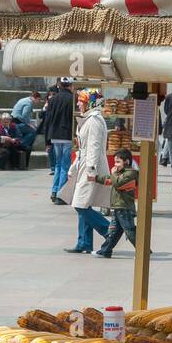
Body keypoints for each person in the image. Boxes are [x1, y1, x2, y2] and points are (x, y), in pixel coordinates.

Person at [67, 91, 110, 253]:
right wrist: (73, 168)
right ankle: (84, 242)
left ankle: (109, 231)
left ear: (90, 103)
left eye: (81, 101)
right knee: (84, 203)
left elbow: (94, 146)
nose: (78, 103)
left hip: (90, 167)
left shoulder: (94, 121)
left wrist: (91, 169)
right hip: (85, 165)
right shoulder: (90, 119)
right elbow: (83, 148)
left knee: (80, 204)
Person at [96, 149, 138, 257]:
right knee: (113, 232)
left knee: (130, 231)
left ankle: (143, 249)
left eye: (118, 162)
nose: (116, 165)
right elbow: (109, 179)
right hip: (118, 207)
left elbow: (118, 183)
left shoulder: (131, 173)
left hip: (124, 207)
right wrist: (95, 178)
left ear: (127, 162)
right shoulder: (119, 173)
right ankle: (105, 251)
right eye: (115, 162)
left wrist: (113, 173)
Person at [42, 76, 75, 202]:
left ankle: (54, 190)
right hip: (67, 135)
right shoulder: (72, 99)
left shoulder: (53, 99)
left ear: (60, 85)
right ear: (70, 86)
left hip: (54, 135)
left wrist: (47, 140)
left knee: (57, 165)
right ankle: (61, 194)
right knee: (65, 165)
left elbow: (48, 120)